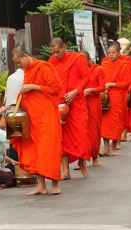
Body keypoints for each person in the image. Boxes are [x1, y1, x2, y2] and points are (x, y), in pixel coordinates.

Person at [10, 45, 62, 195]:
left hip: (47, 115)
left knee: (49, 149)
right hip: (33, 117)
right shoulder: (27, 71)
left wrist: (34, 86)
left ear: (25, 56)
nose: (18, 65)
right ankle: (41, 186)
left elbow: (55, 88)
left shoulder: (44, 67)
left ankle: (55, 184)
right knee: (34, 150)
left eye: (19, 61)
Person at [49, 38, 91, 180]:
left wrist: (75, 91)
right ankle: (65, 170)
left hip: (77, 102)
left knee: (81, 133)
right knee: (63, 138)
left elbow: (86, 77)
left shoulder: (78, 59)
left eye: (58, 51)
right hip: (60, 103)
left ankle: (82, 161)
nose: (56, 55)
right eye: (53, 52)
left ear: (64, 47)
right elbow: (50, 81)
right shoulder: (52, 62)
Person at [100, 45, 131, 157]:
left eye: (113, 52)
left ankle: (113, 148)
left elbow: (126, 83)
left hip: (117, 96)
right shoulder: (104, 64)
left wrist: (112, 84)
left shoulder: (124, 65)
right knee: (104, 123)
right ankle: (106, 148)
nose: (111, 54)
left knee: (115, 122)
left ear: (119, 53)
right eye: (109, 52)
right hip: (105, 96)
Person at [80, 50, 105, 167]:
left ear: (89, 59)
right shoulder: (78, 71)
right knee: (81, 132)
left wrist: (91, 90)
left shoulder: (98, 69)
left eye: (83, 60)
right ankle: (82, 161)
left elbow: (102, 87)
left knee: (94, 131)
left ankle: (95, 158)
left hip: (94, 103)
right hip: (81, 103)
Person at [4, 67, 24, 173]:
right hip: (20, 112)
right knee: (20, 142)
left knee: (13, 142)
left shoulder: (11, 77)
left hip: (10, 111)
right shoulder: (24, 77)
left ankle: (13, 169)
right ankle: (18, 169)